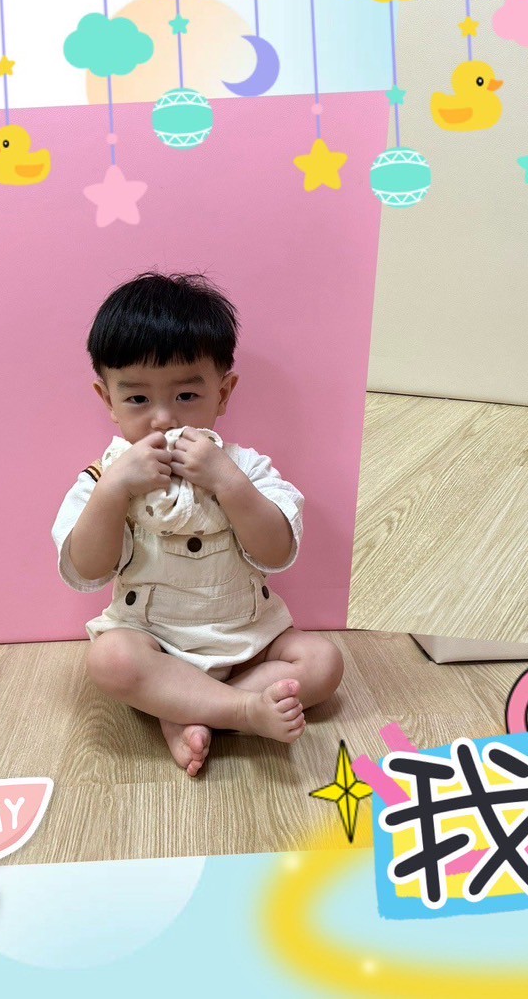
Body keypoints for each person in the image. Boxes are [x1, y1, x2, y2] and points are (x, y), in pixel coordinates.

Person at [52, 272, 343, 775]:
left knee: (323, 663)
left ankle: (184, 709)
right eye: (138, 399)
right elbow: (87, 570)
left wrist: (227, 482)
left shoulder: (245, 468)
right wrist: (114, 492)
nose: (163, 418)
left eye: (186, 395)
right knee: (109, 659)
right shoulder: (103, 477)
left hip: (250, 640)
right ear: (108, 400)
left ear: (223, 392)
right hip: (154, 642)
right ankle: (241, 711)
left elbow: (277, 551)